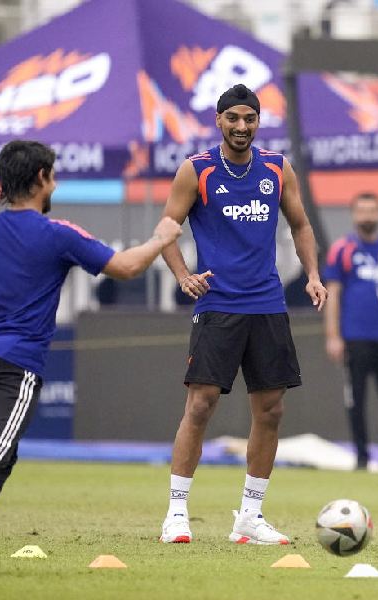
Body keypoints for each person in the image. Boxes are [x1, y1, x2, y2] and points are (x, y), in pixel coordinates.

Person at [0, 140, 182, 576]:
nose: (55, 183)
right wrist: (160, 238)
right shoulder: (57, 233)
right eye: (53, 175)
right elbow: (127, 267)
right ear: (41, 178)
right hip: (14, 366)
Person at [158, 84, 327, 545]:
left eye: (249, 118)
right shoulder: (196, 170)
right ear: (218, 120)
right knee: (200, 405)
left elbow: (301, 224)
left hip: (268, 304)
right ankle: (176, 513)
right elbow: (167, 229)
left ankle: (249, 517)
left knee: (271, 410)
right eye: (232, 118)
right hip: (218, 305)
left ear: (258, 122)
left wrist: (312, 275)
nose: (241, 126)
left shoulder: (276, 167)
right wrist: (183, 275)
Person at [323, 192, 378, 470]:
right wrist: (333, 336)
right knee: (356, 400)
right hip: (354, 337)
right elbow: (333, 294)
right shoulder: (342, 250)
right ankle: (361, 457)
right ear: (353, 215)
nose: (367, 216)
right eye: (361, 210)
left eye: (372, 210)